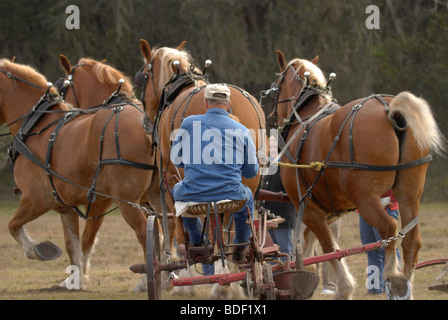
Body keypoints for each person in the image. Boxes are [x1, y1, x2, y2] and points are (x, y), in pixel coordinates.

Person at [170, 83, 259, 274]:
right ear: (228, 104)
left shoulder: (188, 124)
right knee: (248, 197)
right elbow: (251, 172)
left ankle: (196, 240)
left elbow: (177, 160)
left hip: (194, 195)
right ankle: (240, 246)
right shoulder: (241, 130)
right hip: (232, 197)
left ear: (205, 103)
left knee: (177, 190)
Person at [359, 190, 401, 294]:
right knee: (371, 250)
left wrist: (390, 199)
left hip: (384, 207)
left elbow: (402, 180)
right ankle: (374, 288)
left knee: (388, 248)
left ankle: (396, 286)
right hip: (364, 208)